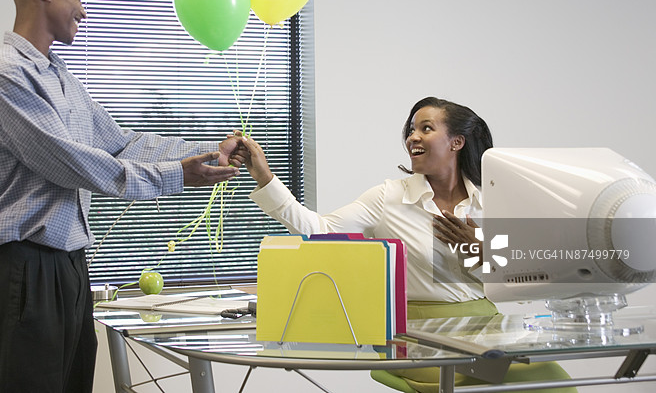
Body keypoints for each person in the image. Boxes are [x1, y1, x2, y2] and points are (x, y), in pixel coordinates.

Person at [0, 0, 246, 393]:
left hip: (70, 266)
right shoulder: (7, 76)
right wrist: (177, 176)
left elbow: (121, 143)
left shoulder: (62, 77)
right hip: (22, 269)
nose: (84, 10)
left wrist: (208, 151)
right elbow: (70, 162)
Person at [241, 97, 575, 393]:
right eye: (412, 129)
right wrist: (266, 179)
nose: (412, 137)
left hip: (487, 327)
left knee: (555, 383)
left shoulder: (490, 202)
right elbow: (319, 229)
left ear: (457, 141)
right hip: (419, 337)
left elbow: (521, 278)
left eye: (426, 128)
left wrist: (481, 250)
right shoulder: (389, 197)